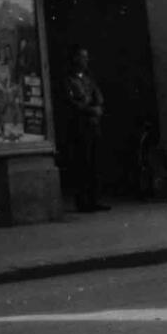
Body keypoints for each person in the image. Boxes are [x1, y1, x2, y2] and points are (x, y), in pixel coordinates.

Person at [64, 44, 109, 212]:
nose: (85, 60)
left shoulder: (89, 79)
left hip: (93, 124)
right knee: (82, 162)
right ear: (75, 58)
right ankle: (83, 201)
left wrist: (98, 108)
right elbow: (71, 102)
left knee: (95, 163)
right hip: (80, 125)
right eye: (82, 57)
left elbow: (98, 96)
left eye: (86, 57)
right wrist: (90, 109)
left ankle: (94, 199)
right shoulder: (69, 80)